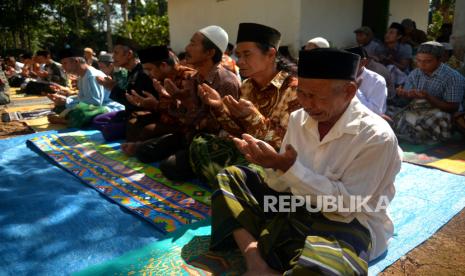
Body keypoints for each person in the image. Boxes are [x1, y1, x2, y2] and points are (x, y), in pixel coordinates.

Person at [209, 48, 402, 275]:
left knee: (328, 267)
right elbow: (279, 186)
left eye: (318, 96)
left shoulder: (375, 137)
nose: (308, 104)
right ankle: (255, 260)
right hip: (293, 205)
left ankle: (282, 247)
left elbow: (347, 206)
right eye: (302, 93)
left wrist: (288, 168)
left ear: (350, 91)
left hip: (347, 222)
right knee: (231, 177)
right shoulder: (299, 118)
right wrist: (271, 165)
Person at [189, 22, 300, 184]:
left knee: (237, 174)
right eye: (238, 55)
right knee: (199, 144)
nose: (239, 62)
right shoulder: (247, 85)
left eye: (246, 55)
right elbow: (239, 131)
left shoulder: (293, 89)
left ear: (270, 54)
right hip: (247, 152)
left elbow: (285, 144)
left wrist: (253, 117)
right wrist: (219, 106)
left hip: (275, 162)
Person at [152, 25, 242, 180]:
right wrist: (174, 98)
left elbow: (224, 127)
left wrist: (188, 104)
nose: (187, 47)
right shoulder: (195, 78)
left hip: (213, 144)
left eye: (193, 44)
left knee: (169, 166)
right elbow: (188, 119)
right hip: (193, 136)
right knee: (149, 149)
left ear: (210, 52)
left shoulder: (227, 82)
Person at [393, 41, 465, 143]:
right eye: (418, 60)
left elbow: (453, 107)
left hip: (442, 113)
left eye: (427, 61)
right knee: (390, 112)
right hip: (418, 109)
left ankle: (414, 133)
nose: (422, 65)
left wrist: (428, 97)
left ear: (440, 60)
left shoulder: (453, 77)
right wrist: (404, 94)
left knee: (439, 117)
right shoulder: (415, 73)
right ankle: (414, 133)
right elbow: (408, 100)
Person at [92, 38, 157, 141]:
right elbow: (127, 96)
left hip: (142, 116)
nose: (113, 57)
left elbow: (136, 103)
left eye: (116, 53)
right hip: (128, 113)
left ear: (129, 54)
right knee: (98, 120)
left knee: (108, 131)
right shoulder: (130, 72)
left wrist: (112, 88)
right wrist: (113, 86)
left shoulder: (143, 73)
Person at [46, 48, 124, 126]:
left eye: (65, 63)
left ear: (76, 61)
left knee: (81, 111)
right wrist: (65, 101)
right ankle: (68, 118)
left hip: (109, 107)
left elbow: (94, 103)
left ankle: (66, 121)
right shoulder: (82, 76)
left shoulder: (92, 76)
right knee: (60, 107)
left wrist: (67, 102)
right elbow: (83, 98)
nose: (63, 67)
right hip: (95, 106)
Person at [346, 46, 387, 115]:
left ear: (363, 62)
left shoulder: (378, 81)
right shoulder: (340, 76)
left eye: (350, 62)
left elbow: (375, 112)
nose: (345, 65)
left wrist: (354, 90)